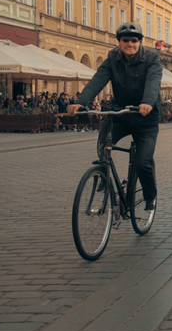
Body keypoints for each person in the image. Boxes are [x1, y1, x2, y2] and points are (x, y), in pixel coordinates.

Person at [67, 22, 163, 213]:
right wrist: (81, 101)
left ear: (140, 42)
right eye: (125, 40)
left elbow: (153, 82)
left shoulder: (151, 58)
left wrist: (147, 102)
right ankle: (104, 174)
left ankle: (150, 196)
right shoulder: (112, 58)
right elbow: (98, 79)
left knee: (143, 161)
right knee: (103, 143)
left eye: (134, 40)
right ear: (119, 42)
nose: (130, 44)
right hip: (121, 113)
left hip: (145, 117)